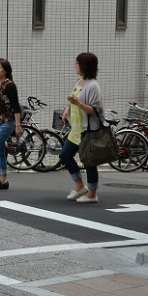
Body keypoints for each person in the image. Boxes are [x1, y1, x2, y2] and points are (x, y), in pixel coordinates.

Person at [60, 52, 103, 203]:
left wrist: (78, 104)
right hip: (76, 129)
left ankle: (92, 194)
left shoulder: (93, 86)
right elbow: (74, 100)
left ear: (85, 66)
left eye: (77, 63)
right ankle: (80, 185)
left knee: (88, 161)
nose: (75, 66)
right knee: (65, 155)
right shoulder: (79, 82)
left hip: (87, 130)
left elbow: (95, 110)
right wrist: (68, 108)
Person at [0, 58, 23, 190]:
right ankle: (4, 180)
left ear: (6, 70)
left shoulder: (10, 86)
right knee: (1, 151)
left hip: (7, 123)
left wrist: (18, 125)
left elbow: (16, 106)